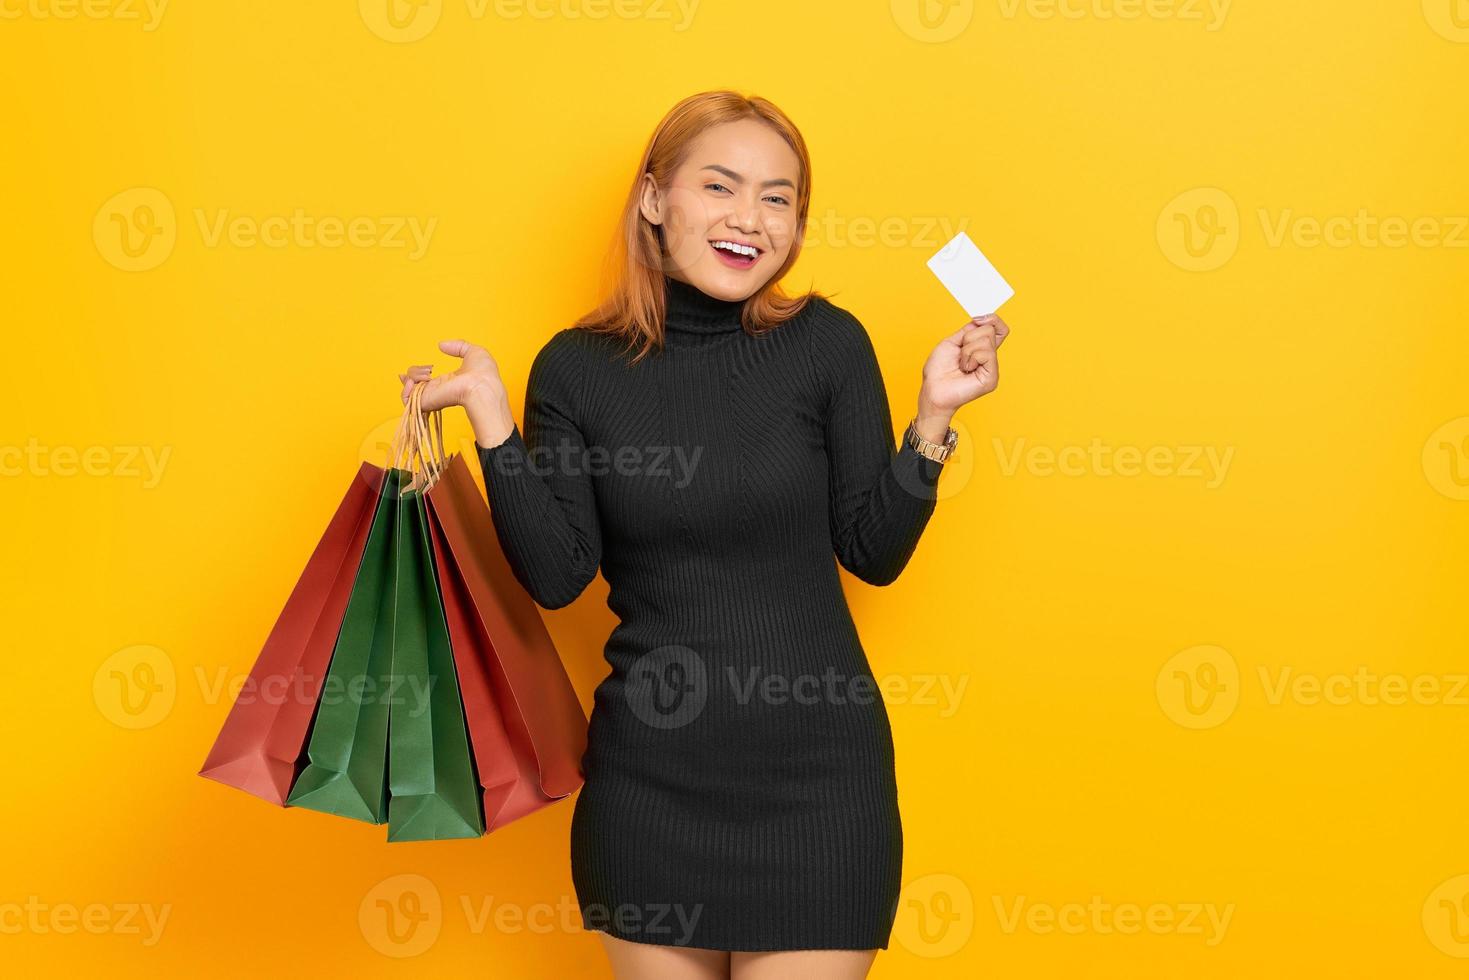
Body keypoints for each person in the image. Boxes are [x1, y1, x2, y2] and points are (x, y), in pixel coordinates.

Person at [397, 90, 1009, 980]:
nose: (748, 219)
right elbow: (559, 576)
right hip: (651, 786)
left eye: (777, 197)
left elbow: (872, 553)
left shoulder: (827, 347)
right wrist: (495, 426)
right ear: (654, 198)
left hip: (819, 787)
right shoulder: (575, 368)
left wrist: (931, 422)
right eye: (719, 187)